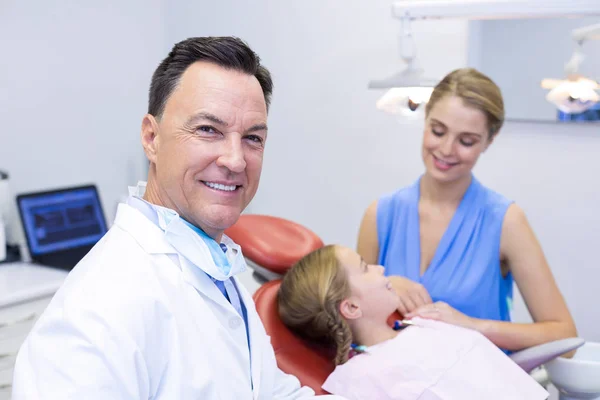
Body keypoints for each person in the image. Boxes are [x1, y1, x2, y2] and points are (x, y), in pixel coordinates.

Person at [12, 36, 345, 399]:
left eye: (252, 138)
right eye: (208, 130)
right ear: (151, 137)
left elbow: (269, 392)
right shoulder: (99, 307)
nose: (235, 160)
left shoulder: (220, 275)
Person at [356, 68, 577, 352]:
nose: (447, 149)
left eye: (466, 141)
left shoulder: (505, 222)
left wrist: (473, 326)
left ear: (488, 141)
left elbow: (564, 335)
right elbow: (346, 317)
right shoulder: (380, 216)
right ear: (425, 121)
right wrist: (383, 286)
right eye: (438, 131)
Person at [278, 245, 549, 399]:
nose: (381, 268)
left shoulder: (424, 323)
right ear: (351, 306)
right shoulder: (357, 378)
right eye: (365, 267)